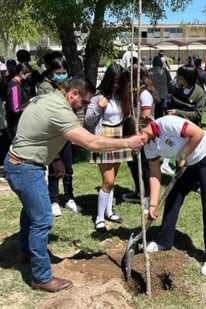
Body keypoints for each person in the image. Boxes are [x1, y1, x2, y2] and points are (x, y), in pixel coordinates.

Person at [4, 78, 144, 292]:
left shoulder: (48, 98)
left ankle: (27, 251)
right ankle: (41, 277)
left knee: (31, 210)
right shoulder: (60, 110)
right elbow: (91, 142)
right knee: (42, 219)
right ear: (74, 94)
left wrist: (55, 159)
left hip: (21, 162)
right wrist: (127, 142)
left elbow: (40, 131)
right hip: (25, 167)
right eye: (84, 101)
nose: (84, 106)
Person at [141, 115, 206, 277]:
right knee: (173, 197)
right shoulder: (148, 145)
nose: (136, 143)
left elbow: (198, 134)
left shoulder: (167, 124)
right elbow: (155, 174)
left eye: (136, 138)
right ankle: (163, 241)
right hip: (189, 164)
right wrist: (152, 204)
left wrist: (184, 154)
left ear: (141, 128)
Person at [85, 63, 132, 232]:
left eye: (119, 83)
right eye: (114, 82)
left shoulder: (122, 97)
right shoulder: (98, 97)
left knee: (113, 180)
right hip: (103, 137)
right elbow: (88, 120)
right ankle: (99, 218)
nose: (116, 86)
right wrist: (99, 107)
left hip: (119, 137)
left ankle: (109, 211)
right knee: (108, 181)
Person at [37, 54, 81, 217]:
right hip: (52, 132)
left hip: (67, 132)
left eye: (64, 72)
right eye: (58, 72)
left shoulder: (69, 85)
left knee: (68, 167)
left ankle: (69, 197)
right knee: (55, 167)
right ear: (51, 72)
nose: (61, 75)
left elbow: (76, 106)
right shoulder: (45, 87)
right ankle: (54, 199)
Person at [121, 65, 159, 204]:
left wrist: (139, 132)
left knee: (144, 164)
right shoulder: (136, 93)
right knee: (134, 163)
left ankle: (147, 194)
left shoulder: (144, 94)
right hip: (135, 131)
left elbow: (146, 116)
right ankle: (139, 190)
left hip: (143, 132)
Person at [148, 56, 174, 176]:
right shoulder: (164, 71)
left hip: (153, 97)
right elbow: (170, 82)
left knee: (156, 115)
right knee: (163, 114)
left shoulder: (149, 72)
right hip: (163, 96)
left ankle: (156, 129)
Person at [5, 62, 33, 138]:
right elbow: (16, 109)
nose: (29, 77)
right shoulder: (14, 87)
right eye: (28, 75)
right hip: (16, 124)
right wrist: (29, 108)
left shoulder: (17, 84)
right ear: (21, 73)